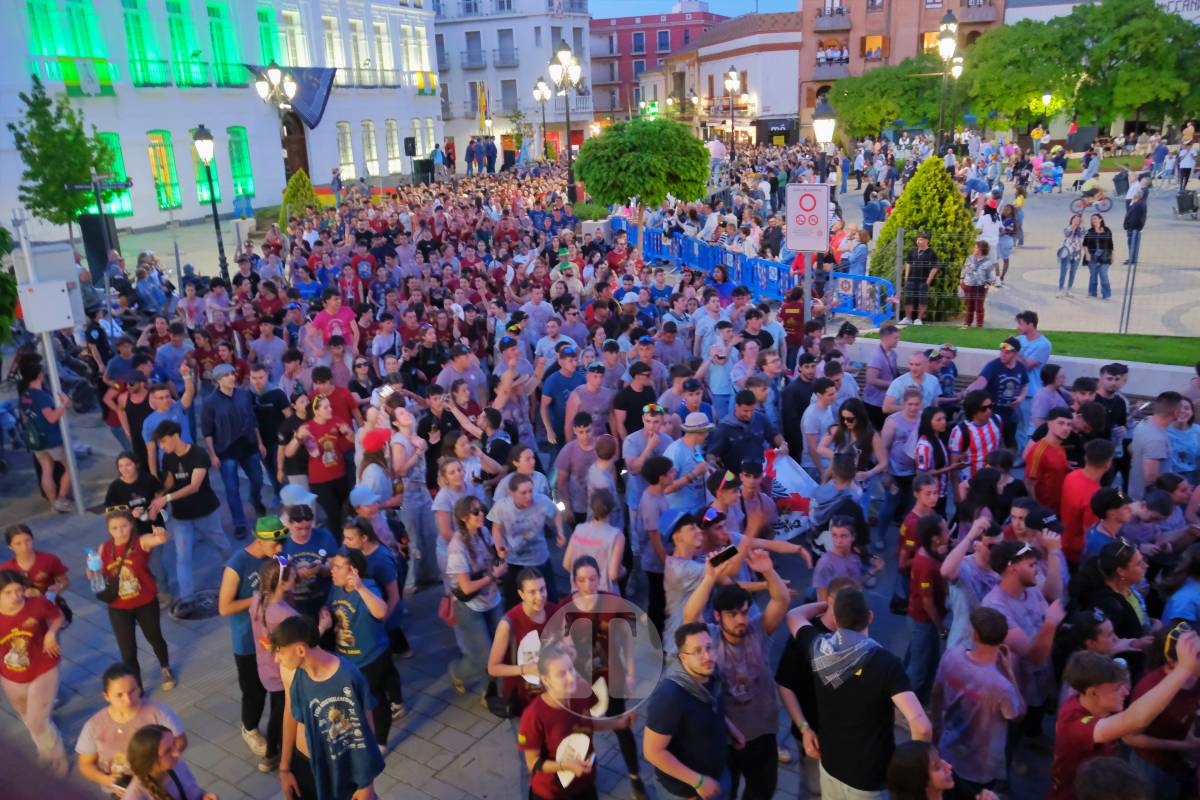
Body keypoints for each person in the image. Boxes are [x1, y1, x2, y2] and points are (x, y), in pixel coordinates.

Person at [789, 587, 932, 799]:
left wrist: (827, 605)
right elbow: (921, 726)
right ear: (870, 617)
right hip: (869, 778)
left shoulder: (818, 647)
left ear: (836, 620)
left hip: (830, 766)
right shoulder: (887, 664)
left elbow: (794, 615)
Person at [682, 549, 789, 800]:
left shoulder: (758, 630)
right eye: (733, 614)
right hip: (724, 739)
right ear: (717, 617)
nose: (741, 619)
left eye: (744, 612)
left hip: (763, 734)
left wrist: (768, 570)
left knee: (761, 793)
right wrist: (709, 578)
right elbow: (689, 616)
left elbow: (781, 601)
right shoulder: (708, 639)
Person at [1049, 637, 1200, 800]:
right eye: (1117, 688)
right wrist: (1183, 669)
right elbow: (1135, 719)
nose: (1126, 693)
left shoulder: (1089, 698)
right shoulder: (1075, 724)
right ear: (1093, 692)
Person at [271, 614, 385, 800]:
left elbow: (366, 733)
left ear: (300, 650)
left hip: (340, 770)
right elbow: (290, 713)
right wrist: (285, 768)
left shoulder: (348, 678)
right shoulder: (292, 673)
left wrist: (367, 784)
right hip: (304, 766)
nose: (276, 659)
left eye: (279, 652)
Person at [519, 642, 635, 800]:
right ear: (546, 680)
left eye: (571, 669)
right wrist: (565, 766)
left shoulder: (581, 689)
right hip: (553, 792)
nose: (571, 677)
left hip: (585, 783)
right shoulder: (533, 716)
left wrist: (619, 722)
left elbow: (586, 723)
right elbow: (532, 762)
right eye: (561, 674)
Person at [929, 607, 1024, 797]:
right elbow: (1018, 714)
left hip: (948, 752)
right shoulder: (1002, 686)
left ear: (974, 634)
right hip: (980, 768)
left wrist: (936, 728)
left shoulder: (951, 656)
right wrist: (1010, 673)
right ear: (1002, 639)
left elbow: (936, 694)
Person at [218, 515, 289, 761]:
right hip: (248, 641)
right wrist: (262, 597)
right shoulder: (236, 565)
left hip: (275, 637)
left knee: (279, 689)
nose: (280, 550)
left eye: (282, 544)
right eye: (275, 545)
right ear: (259, 540)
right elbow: (224, 607)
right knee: (254, 691)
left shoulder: (277, 555)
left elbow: (285, 572)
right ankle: (250, 728)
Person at [643, 621, 734, 800]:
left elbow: (711, 707)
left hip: (718, 775)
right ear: (683, 658)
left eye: (709, 647)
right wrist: (698, 781)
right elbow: (652, 751)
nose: (707, 656)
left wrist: (731, 728)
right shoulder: (670, 695)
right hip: (686, 792)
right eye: (698, 651)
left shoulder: (711, 674)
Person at [148, 420, 232, 611]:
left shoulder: (198, 454)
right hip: (181, 516)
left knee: (222, 544)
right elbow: (169, 482)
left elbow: (194, 487)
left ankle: (232, 568)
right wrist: (157, 500)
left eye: (163, 442)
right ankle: (187, 597)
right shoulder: (168, 458)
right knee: (182, 555)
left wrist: (166, 498)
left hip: (205, 511)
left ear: (175, 436)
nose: (162, 447)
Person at [91, 510, 174, 694]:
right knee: (128, 651)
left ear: (131, 525)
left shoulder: (140, 542)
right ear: (108, 529)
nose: (120, 531)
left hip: (145, 602)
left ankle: (165, 667)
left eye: (124, 526)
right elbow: (98, 574)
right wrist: (92, 572)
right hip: (118, 607)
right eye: (115, 528)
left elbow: (160, 539)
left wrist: (162, 534)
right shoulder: (104, 549)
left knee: (155, 638)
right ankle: (137, 687)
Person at [0, 568, 68, 775]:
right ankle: (44, 750)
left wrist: (51, 633)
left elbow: (58, 616)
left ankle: (58, 755)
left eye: (19, 590)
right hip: (11, 674)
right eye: (8, 593)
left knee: (37, 721)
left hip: (43, 668)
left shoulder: (36, 605)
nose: (16, 596)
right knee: (25, 714)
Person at [445, 495, 506, 698]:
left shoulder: (483, 532)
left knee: (499, 648)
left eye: (482, 509)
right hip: (470, 607)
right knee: (483, 657)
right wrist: (493, 576)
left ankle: (492, 691)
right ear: (463, 517)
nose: (481, 514)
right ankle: (458, 673)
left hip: (492, 599)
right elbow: (467, 586)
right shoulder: (457, 547)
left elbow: (492, 558)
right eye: (476, 512)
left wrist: (500, 561)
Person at [201, 362, 268, 539]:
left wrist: (260, 442)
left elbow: (253, 420)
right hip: (226, 448)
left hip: (248, 444)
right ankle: (239, 523)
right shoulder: (210, 402)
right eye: (226, 375)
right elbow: (207, 431)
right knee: (232, 488)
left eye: (232, 373)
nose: (231, 377)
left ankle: (256, 499)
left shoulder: (244, 395)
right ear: (218, 381)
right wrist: (212, 454)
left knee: (257, 479)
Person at [248, 555, 298, 774]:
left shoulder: (256, 600)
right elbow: (303, 640)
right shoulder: (285, 614)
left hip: (265, 668)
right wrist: (323, 625)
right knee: (279, 713)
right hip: (282, 672)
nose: (296, 575)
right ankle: (271, 755)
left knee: (276, 706)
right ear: (284, 582)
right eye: (293, 575)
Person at [489, 473, 565, 609]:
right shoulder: (502, 507)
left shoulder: (541, 501)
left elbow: (557, 512)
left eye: (530, 491)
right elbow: (496, 528)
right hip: (513, 559)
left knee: (549, 597)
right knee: (513, 599)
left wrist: (560, 531)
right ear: (512, 493)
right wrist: (499, 547)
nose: (529, 496)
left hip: (539, 556)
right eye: (523, 493)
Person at [17, 358, 73, 513]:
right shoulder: (41, 396)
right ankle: (61, 499)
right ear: (39, 375)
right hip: (51, 438)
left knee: (46, 470)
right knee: (70, 467)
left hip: (36, 440)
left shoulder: (24, 395)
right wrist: (64, 405)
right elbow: (52, 417)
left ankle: (53, 504)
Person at [120, 724, 214, 800]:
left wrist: (204, 796)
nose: (177, 753)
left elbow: (193, 792)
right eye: (167, 751)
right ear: (149, 761)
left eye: (174, 743)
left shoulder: (177, 764)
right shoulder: (135, 796)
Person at [886, 739, 1000, 800]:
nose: (948, 766)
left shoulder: (950, 784)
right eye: (937, 767)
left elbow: (971, 797)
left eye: (940, 758)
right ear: (919, 781)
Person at [1, 524, 68, 601]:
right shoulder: (5, 569)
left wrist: (59, 587)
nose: (24, 546)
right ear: (10, 547)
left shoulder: (49, 559)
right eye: (18, 544)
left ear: (32, 540)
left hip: (49, 603)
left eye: (27, 540)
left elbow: (64, 581)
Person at [900, 232, 938, 326]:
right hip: (911, 280)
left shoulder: (931, 253)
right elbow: (908, 263)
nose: (918, 241)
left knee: (922, 300)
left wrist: (928, 281)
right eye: (917, 239)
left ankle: (919, 319)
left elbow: (934, 268)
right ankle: (908, 318)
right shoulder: (912, 251)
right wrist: (906, 277)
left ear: (926, 241)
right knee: (908, 299)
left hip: (923, 281)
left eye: (921, 239)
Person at [959, 240, 996, 329]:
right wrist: (961, 280)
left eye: (976, 247)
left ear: (981, 250)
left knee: (979, 307)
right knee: (969, 306)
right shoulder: (969, 258)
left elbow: (991, 277)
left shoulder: (988, 262)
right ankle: (967, 323)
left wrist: (987, 284)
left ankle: (980, 325)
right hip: (968, 285)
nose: (974, 249)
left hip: (980, 287)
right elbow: (964, 270)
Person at [1082, 214, 1114, 301]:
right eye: (1092, 219)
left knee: (1103, 274)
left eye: (1095, 218)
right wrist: (1087, 254)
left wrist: (1112, 256)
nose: (1093, 220)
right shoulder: (1089, 231)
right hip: (1092, 257)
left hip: (1105, 256)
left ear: (1100, 219)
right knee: (1093, 275)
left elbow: (1110, 244)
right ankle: (1092, 293)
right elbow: (1084, 244)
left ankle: (1106, 295)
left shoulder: (1107, 230)